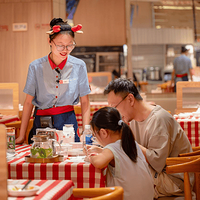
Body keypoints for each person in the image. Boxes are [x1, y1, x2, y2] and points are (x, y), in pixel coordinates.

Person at [104, 78, 194, 198]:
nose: (116, 113)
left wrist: (127, 141)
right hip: (159, 174)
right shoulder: (134, 120)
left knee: (122, 174)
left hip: (175, 179)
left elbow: (157, 162)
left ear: (130, 99)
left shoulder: (158, 119)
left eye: (115, 107)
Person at [16, 18, 91, 144]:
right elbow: (28, 102)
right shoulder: (35, 66)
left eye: (70, 45)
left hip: (68, 122)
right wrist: (22, 135)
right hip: (41, 122)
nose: (65, 50)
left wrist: (86, 132)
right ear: (50, 41)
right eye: (60, 45)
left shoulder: (79, 65)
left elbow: (85, 102)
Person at [85, 106, 154, 200]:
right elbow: (120, 154)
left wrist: (90, 155)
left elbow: (98, 163)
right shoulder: (130, 143)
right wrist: (100, 150)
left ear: (104, 133)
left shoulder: (112, 148)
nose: (95, 138)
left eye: (95, 134)